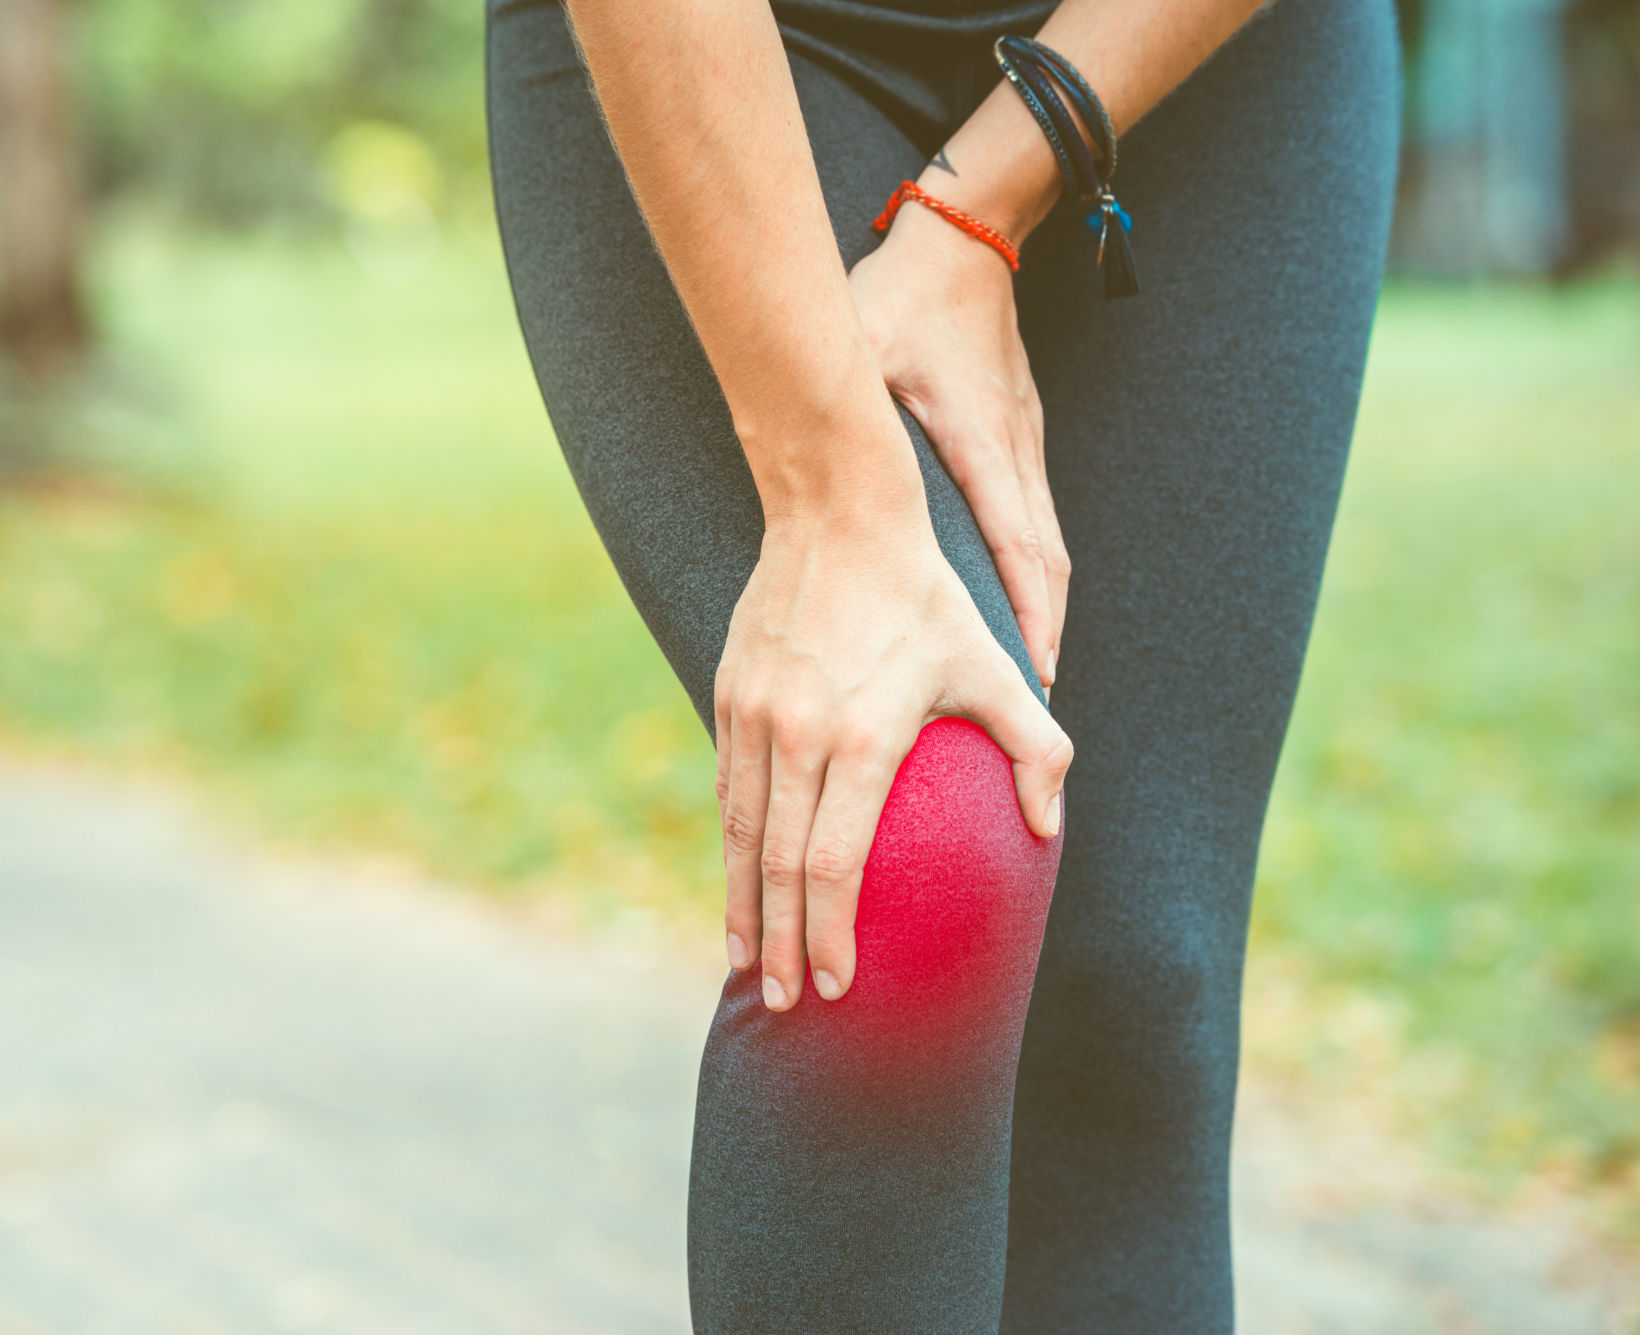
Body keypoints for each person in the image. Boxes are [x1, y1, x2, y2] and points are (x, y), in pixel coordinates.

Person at [485, 0, 1398, 1327]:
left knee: (1127, 985)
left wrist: (993, 195)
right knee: (920, 844)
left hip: (1196, 59)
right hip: (738, 48)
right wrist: (833, 496)